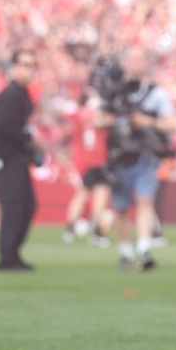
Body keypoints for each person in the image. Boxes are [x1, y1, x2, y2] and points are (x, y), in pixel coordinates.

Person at [99, 46, 175, 271]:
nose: (135, 64)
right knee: (121, 206)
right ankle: (125, 253)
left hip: (145, 155)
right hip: (119, 155)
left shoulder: (155, 93)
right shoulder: (113, 92)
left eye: (139, 60)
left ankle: (144, 249)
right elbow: (99, 120)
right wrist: (118, 118)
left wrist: (147, 122)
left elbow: (171, 123)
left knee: (144, 200)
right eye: (131, 60)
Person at [0, 50, 40, 271]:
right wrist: (30, 138)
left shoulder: (20, 94)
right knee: (15, 208)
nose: (29, 70)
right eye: (25, 65)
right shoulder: (12, 94)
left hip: (16, 159)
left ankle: (12, 254)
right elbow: (7, 127)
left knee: (25, 206)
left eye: (32, 65)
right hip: (8, 160)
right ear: (14, 67)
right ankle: (7, 258)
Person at [62, 92, 112, 245]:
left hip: (82, 159)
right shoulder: (99, 114)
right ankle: (97, 232)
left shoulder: (78, 114)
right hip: (99, 159)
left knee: (81, 194)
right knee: (100, 195)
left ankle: (69, 229)